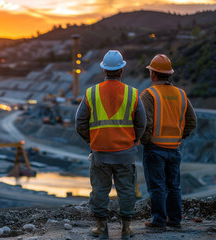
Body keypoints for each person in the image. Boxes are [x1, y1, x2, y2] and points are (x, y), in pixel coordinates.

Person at [76, 50, 146, 239]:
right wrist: (134, 140)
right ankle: (126, 228)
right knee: (126, 190)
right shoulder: (133, 93)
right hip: (125, 152)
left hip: (100, 153)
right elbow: (142, 123)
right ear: (121, 70)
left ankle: (101, 228)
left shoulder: (91, 93)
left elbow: (80, 122)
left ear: (104, 70)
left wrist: (92, 141)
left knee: (100, 190)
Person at [140, 54, 197, 228]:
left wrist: (145, 140)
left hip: (155, 148)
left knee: (157, 186)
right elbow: (192, 120)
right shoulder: (180, 94)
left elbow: (146, 122)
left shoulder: (149, 94)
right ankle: (175, 220)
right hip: (174, 149)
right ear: (169, 74)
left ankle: (158, 220)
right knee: (174, 186)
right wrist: (181, 135)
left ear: (153, 74)